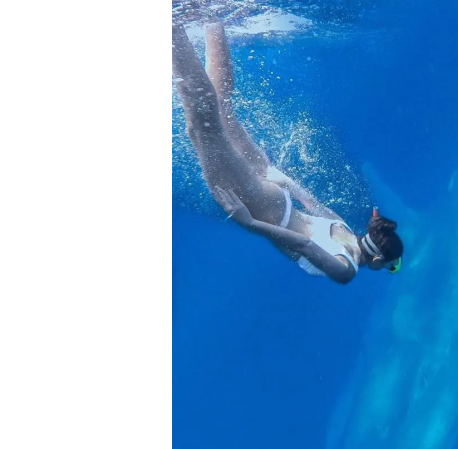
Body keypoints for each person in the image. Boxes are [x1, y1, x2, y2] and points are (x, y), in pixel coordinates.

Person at [172, 22, 404, 285]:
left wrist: (281, 178)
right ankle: (172, 26)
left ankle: (210, 20)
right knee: (205, 128)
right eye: (390, 266)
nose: (388, 267)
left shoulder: (347, 229)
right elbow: (304, 244)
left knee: (223, 110)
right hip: (263, 207)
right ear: (377, 261)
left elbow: (312, 203)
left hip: (278, 194)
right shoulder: (346, 271)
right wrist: (249, 224)